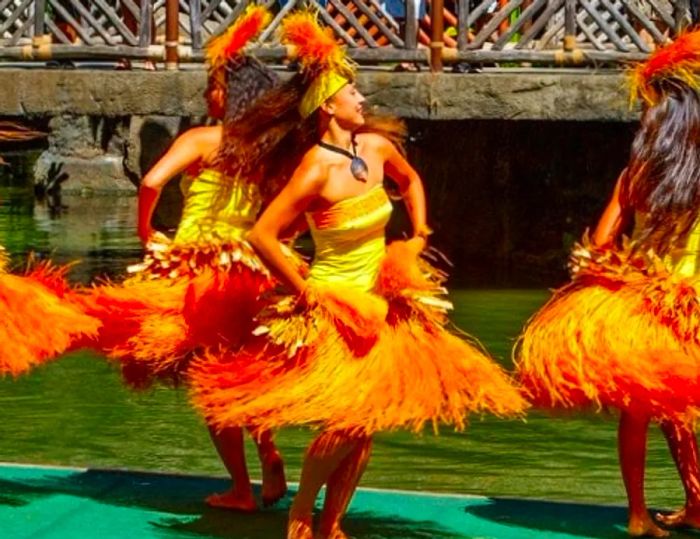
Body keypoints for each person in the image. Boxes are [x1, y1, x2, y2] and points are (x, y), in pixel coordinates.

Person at [189, 10, 527, 538]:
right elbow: (262, 236)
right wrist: (306, 291)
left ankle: (332, 524)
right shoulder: (314, 168)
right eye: (352, 93)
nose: (362, 99)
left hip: (382, 301)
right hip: (337, 306)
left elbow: (410, 180)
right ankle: (302, 514)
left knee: (364, 426)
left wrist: (420, 232)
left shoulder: (375, 147)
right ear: (329, 106)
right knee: (349, 419)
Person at [80, 6, 288, 511]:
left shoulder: (201, 140)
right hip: (253, 269)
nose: (204, 97)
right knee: (243, 369)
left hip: (200, 273)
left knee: (209, 378)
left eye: (211, 88)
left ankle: (242, 489)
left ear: (231, 94)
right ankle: (269, 452)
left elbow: (151, 182)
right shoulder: (269, 151)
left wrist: (146, 230)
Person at [516, 30, 700, 538]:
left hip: (645, 306)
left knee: (647, 410)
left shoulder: (635, 174)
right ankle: (696, 503)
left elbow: (598, 244)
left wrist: (609, 270)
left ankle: (640, 514)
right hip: (692, 308)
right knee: (676, 405)